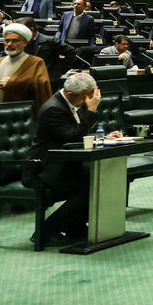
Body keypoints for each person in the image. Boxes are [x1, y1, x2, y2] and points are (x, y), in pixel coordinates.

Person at [25, 72, 104, 245]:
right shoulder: (54, 109)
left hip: (65, 164)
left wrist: (104, 137)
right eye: (85, 97)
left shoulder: (72, 102)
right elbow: (72, 137)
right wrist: (91, 111)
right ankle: (46, 231)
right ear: (70, 93)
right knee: (89, 186)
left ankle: (75, 227)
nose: (87, 101)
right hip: (44, 168)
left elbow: (80, 133)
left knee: (98, 179)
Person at [0, 23, 52, 113]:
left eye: (15, 41)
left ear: (25, 43)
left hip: (20, 116)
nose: (9, 44)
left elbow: (40, 87)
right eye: (7, 41)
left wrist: (13, 82)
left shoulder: (36, 63)